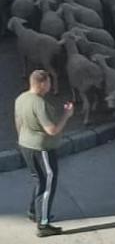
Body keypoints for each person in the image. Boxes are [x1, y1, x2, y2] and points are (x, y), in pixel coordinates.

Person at [14, 70, 74, 237]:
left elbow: (18, 121)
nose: (50, 85)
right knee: (48, 184)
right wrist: (67, 115)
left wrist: (22, 139)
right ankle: (43, 224)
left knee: (38, 180)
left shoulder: (21, 98)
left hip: (26, 145)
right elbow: (52, 130)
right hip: (42, 150)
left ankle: (34, 211)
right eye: (48, 82)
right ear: (41, 84)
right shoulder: (39, 103)